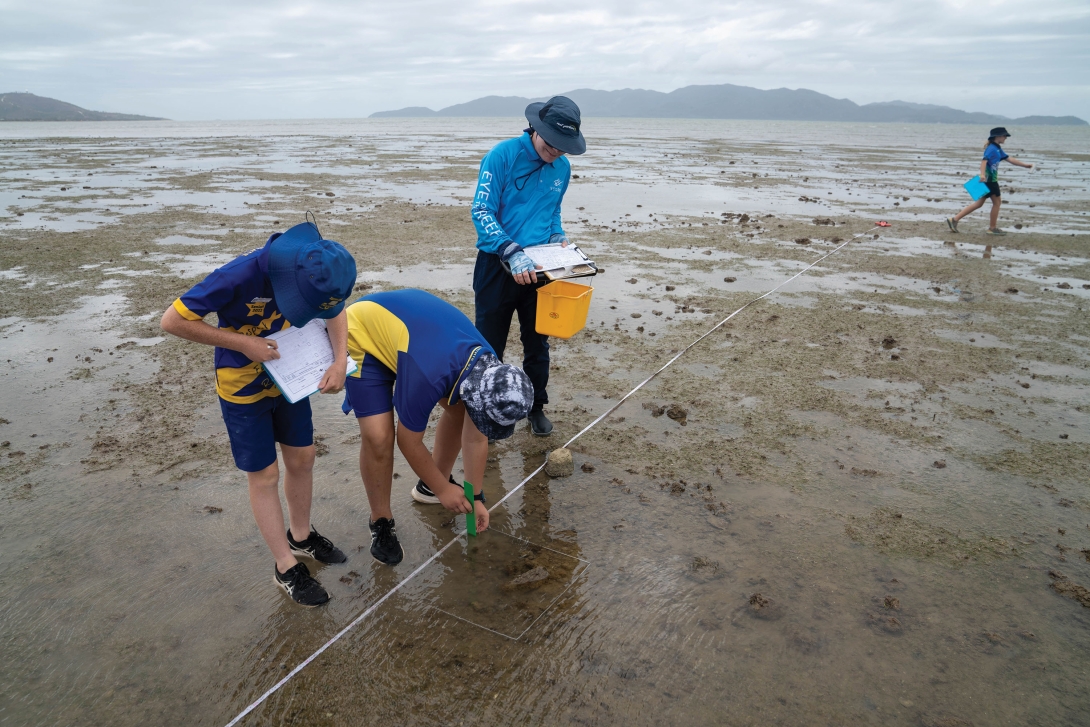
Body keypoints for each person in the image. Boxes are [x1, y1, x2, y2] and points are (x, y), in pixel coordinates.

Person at [160, 220, 356, 607]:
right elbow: (173, 320)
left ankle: (300, 537)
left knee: (303, 456)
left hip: (291, 377)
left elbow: (334, 311)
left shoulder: (320, 266)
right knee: (264, 473)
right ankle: (285, 566)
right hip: (243, 385)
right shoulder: (238, 275)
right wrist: (240, 343)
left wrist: (339, 358)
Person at [341, 289, 534, 564]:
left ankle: (428, 488)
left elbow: (476, 437)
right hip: (364, 334)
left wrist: (474, 496)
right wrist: (446, 490)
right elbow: (408, 442)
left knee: (459, 412)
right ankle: (381, 520)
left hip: (413, 340)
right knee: (379, 436)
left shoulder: (491, 369)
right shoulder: (428, 375)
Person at [470, 95, 587, 437]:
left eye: (564, 147)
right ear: (536, 128)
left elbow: (552, 210)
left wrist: (557, 234)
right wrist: (510, 250)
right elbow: (482, 212)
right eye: (552, 144)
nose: (557, 152)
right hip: (497, 265)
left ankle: (535, 407)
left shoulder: (562, 168)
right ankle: (484, 412)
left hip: (541, 270)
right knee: (489, 346)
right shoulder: (502, 156)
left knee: (538, 343)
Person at [947, 127, 1033, 236]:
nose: (1006, 137)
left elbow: (1010, 159)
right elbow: (984, 161)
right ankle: (992, 228)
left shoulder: (997, 149)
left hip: (989, 180)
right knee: (997, 203)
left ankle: (954, 219)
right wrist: (982, 174)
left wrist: (1026, 165)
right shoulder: (992, 148)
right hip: (990, 181)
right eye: (1004, 135)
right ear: (997, 136)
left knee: (979, 203)